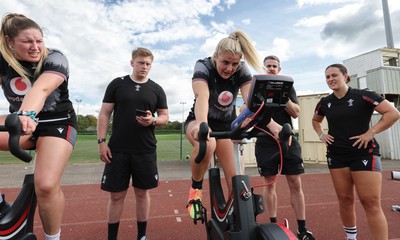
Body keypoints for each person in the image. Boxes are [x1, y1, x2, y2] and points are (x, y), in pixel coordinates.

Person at [184, 30, 283, 220]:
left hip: (226, 126)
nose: (230, 68)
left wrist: (272, 125)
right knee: (209, 144)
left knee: (237, 183)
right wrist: (202, 124)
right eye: (225, 62)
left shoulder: (242, 70)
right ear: (215, 56)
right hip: (199, 120)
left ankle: (233, 220)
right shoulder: (203, 65)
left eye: (235, 64)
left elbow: (251, 102)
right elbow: (202, 96)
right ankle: (195, 192)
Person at [0, 13, 77, 240]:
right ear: (9, 41)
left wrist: (27, 113)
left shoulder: (55, 57)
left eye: (39, 40)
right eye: (27, 41)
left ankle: (53, 238)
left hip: (57, 123)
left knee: (45, 185)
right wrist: (22, 117)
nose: (35, 47)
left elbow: (41, 89)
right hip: (21, 122)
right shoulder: (3, 60)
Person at [312, 63, 400, 240]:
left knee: (371, 202)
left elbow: (393, 113)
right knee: (345, 200)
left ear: (345, 76)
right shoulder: (325, 102)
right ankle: (351, 238)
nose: (330, 79)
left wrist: (371, 132)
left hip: (364, 153)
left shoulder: (364, 96)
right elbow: (316, 121)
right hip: (336, 156)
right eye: (327, 77)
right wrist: (321, 135)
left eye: (334, 75)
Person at [97, 47, 169, 240]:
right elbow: (104, 114)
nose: (144, 67)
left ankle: (142, 236)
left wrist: (153, 120)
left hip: (145, 150)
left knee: (142, 194)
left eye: (148, 64)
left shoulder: (156, 89)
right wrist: (102, 142)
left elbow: (164, 117)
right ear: (132, 63)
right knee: (116, 196)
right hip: (117, 149)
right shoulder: (117, 84)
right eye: (140, 63)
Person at [255, 55, 315, 240]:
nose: (271, 69)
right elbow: (251, 112)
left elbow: (296, 112)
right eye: (268, 66)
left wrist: (282, 92)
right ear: (263, 69)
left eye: (274, 66)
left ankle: (302, 228)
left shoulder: (288, 86)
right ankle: (273, 225)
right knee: (270, 182)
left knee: (295, 183)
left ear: (279, 70)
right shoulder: (257, 87)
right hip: (265, 140)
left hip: (288, 138)